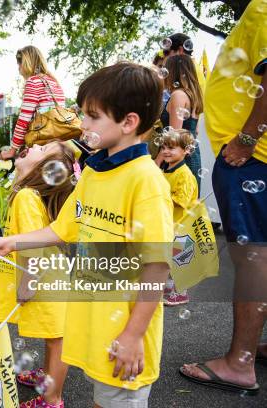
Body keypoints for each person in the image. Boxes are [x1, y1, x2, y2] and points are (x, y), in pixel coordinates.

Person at [0, 62, 173, 408]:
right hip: (96, 325)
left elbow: (156, 267)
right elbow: (59, 229)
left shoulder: (145, 180)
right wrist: (10, 242)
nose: (82, 124)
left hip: (123, 334)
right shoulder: (95, 175)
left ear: (129, 122)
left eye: (92, 116)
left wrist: (133, 335)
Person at [179, 0, 265, 396]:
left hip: (254, 157)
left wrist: (247, 139)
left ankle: (238, 363)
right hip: (253, 155)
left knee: (253, 257)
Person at [0, 141, 76, 408]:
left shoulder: (27, 196)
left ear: (43, 170)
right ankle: (46, 374)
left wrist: (26, 285)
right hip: (50, 276)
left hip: (43, 279)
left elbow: (32, 247)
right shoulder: (29, 193)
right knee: (50, 334)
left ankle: (52, 399)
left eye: (43, 149)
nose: (36, 144)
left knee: (56, 339)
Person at [0, 46, 65, 160]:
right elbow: (51, 111)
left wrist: (12, 150)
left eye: (19, 63)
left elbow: (24, 119)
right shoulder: (53, 81)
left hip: (43, 146)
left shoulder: (33, 81)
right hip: (59, 143)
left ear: (25, 63)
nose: (18, 68)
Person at [159, 130, 198, 306]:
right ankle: (168, 290)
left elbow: (180, 201)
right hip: (168, 223)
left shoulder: (184, 174)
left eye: (172, 148)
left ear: (186, 151)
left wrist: (158, 198)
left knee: (177, 262)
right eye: (164, 147)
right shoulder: (165, 171)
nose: (166, 151)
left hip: (180, 226)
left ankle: (180, 293)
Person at [160, 54, 203, 188]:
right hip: (192, 154)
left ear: (172, 71)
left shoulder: (178, 95)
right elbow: (195, 130)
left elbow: (174, 136)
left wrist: (157, 161)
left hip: (178, 159)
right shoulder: (194, 95)